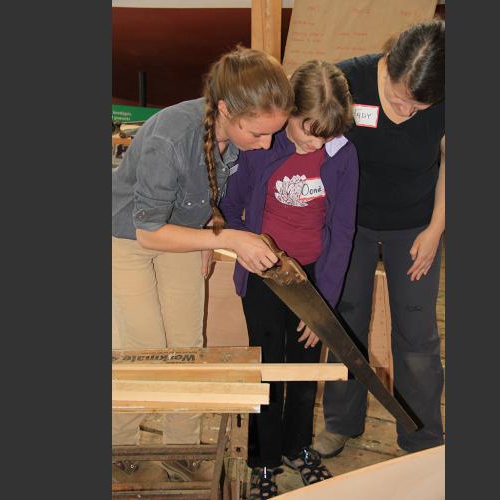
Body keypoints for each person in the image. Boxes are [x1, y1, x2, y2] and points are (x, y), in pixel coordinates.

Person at [111, 47, 294, 479]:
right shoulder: (169, 138)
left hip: (184, 235)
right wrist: (227, 236)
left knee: (187, 347)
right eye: (259, 134)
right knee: (143, 350)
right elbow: (148, 231)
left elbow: (209, 188)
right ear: (227, 109)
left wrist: (209, 229)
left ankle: (182, 450)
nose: (265, 144)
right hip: (129, 237)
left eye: (273, 134)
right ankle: (121, 449)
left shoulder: (231, 131)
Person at [220, 60, 357, 499]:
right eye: (306, 129)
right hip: (264, 276)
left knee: (301, 370)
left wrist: (326, 303)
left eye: (324, 135)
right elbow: (230, 205)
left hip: (311, 279)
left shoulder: (342, 155)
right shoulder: (263, 147)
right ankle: (262, 458)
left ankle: (298, 447)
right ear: (287, 110)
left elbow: (342, 231)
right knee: (267, 369)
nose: (313, 141)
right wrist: (240, 244)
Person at [312, 19, 446, 457]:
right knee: (346, 325)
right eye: (398, 99)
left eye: (418, 108)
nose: (406, 112)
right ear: (387, 65)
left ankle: (422, 436)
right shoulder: (346, 80)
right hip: (352, 221)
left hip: (416, 224)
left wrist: (435, 229)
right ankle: (340, 422)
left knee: (417, 335)